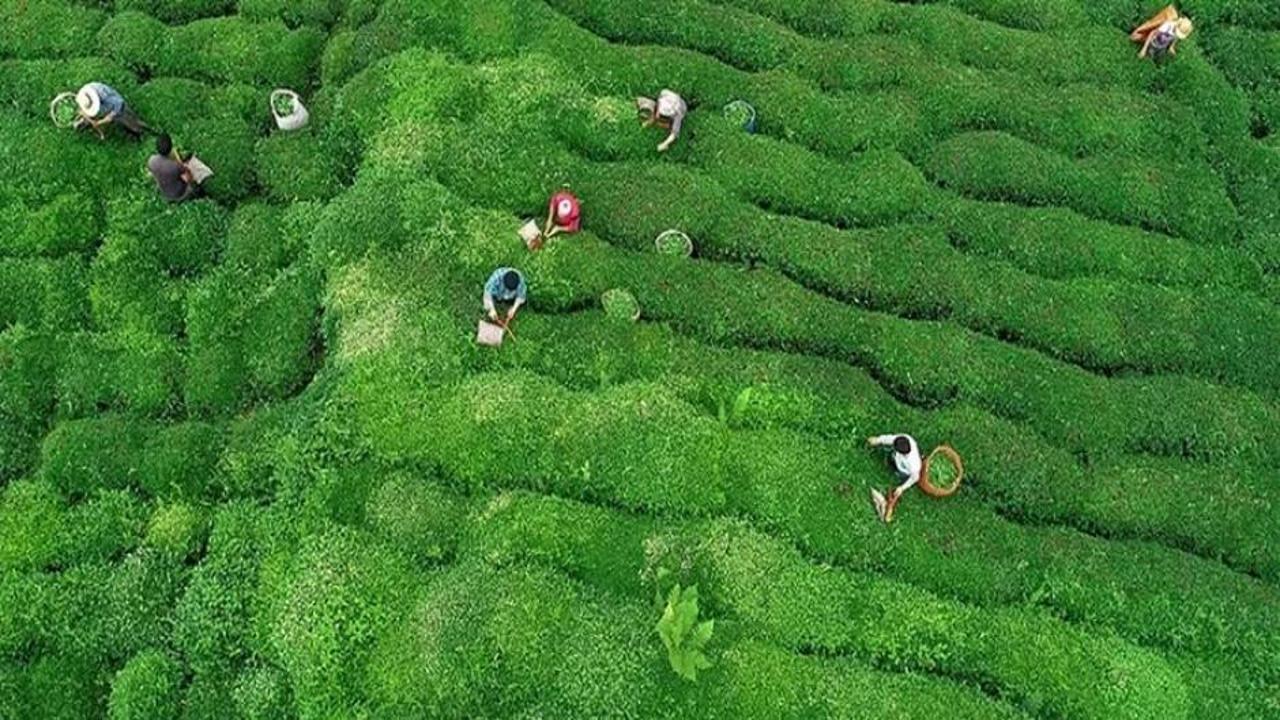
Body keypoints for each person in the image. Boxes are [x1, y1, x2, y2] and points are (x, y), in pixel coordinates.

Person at [867, 433, 922, 523]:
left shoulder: (914, 465)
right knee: (892, 459)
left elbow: (915, 478)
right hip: (898, 459)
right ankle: (892, 461)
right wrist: (878, 440)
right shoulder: (905, 439)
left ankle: (896, 469)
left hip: (904, 470)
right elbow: (891, 439)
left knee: (899, 471)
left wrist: (902, 488)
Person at [75, 82, 147, 139]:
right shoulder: (86, 93)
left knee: (129, 121)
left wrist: (100, 122)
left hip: (118, 109)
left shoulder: (106, 97)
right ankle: (83, 125)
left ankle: (139, 132)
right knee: (89, 117)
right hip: (103, 108)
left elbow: (118, 104)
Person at [147, 134, 196, 203]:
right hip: (179, 194)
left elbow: (151, 174)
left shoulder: (151, 160)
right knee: (193, 184)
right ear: (170, 147)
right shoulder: (176, 166)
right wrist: (180, 162)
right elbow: (189, 178)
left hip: (164, 193)